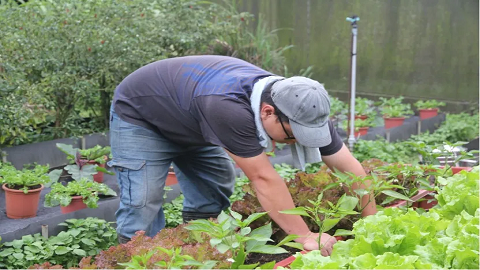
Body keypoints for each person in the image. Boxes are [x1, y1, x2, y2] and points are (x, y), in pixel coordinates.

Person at [108, 55, 377, 256]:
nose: (297, 142)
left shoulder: (305, 108)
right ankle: (140, 256)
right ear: (268, 112)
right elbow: (263, 178)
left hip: (190, 115)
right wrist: (304, 235)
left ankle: (198, 248)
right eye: (293, 135)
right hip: (142, 116)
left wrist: (373, 224)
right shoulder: (228, 108)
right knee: (143, 201)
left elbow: (350, 169)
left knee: (214, 187)